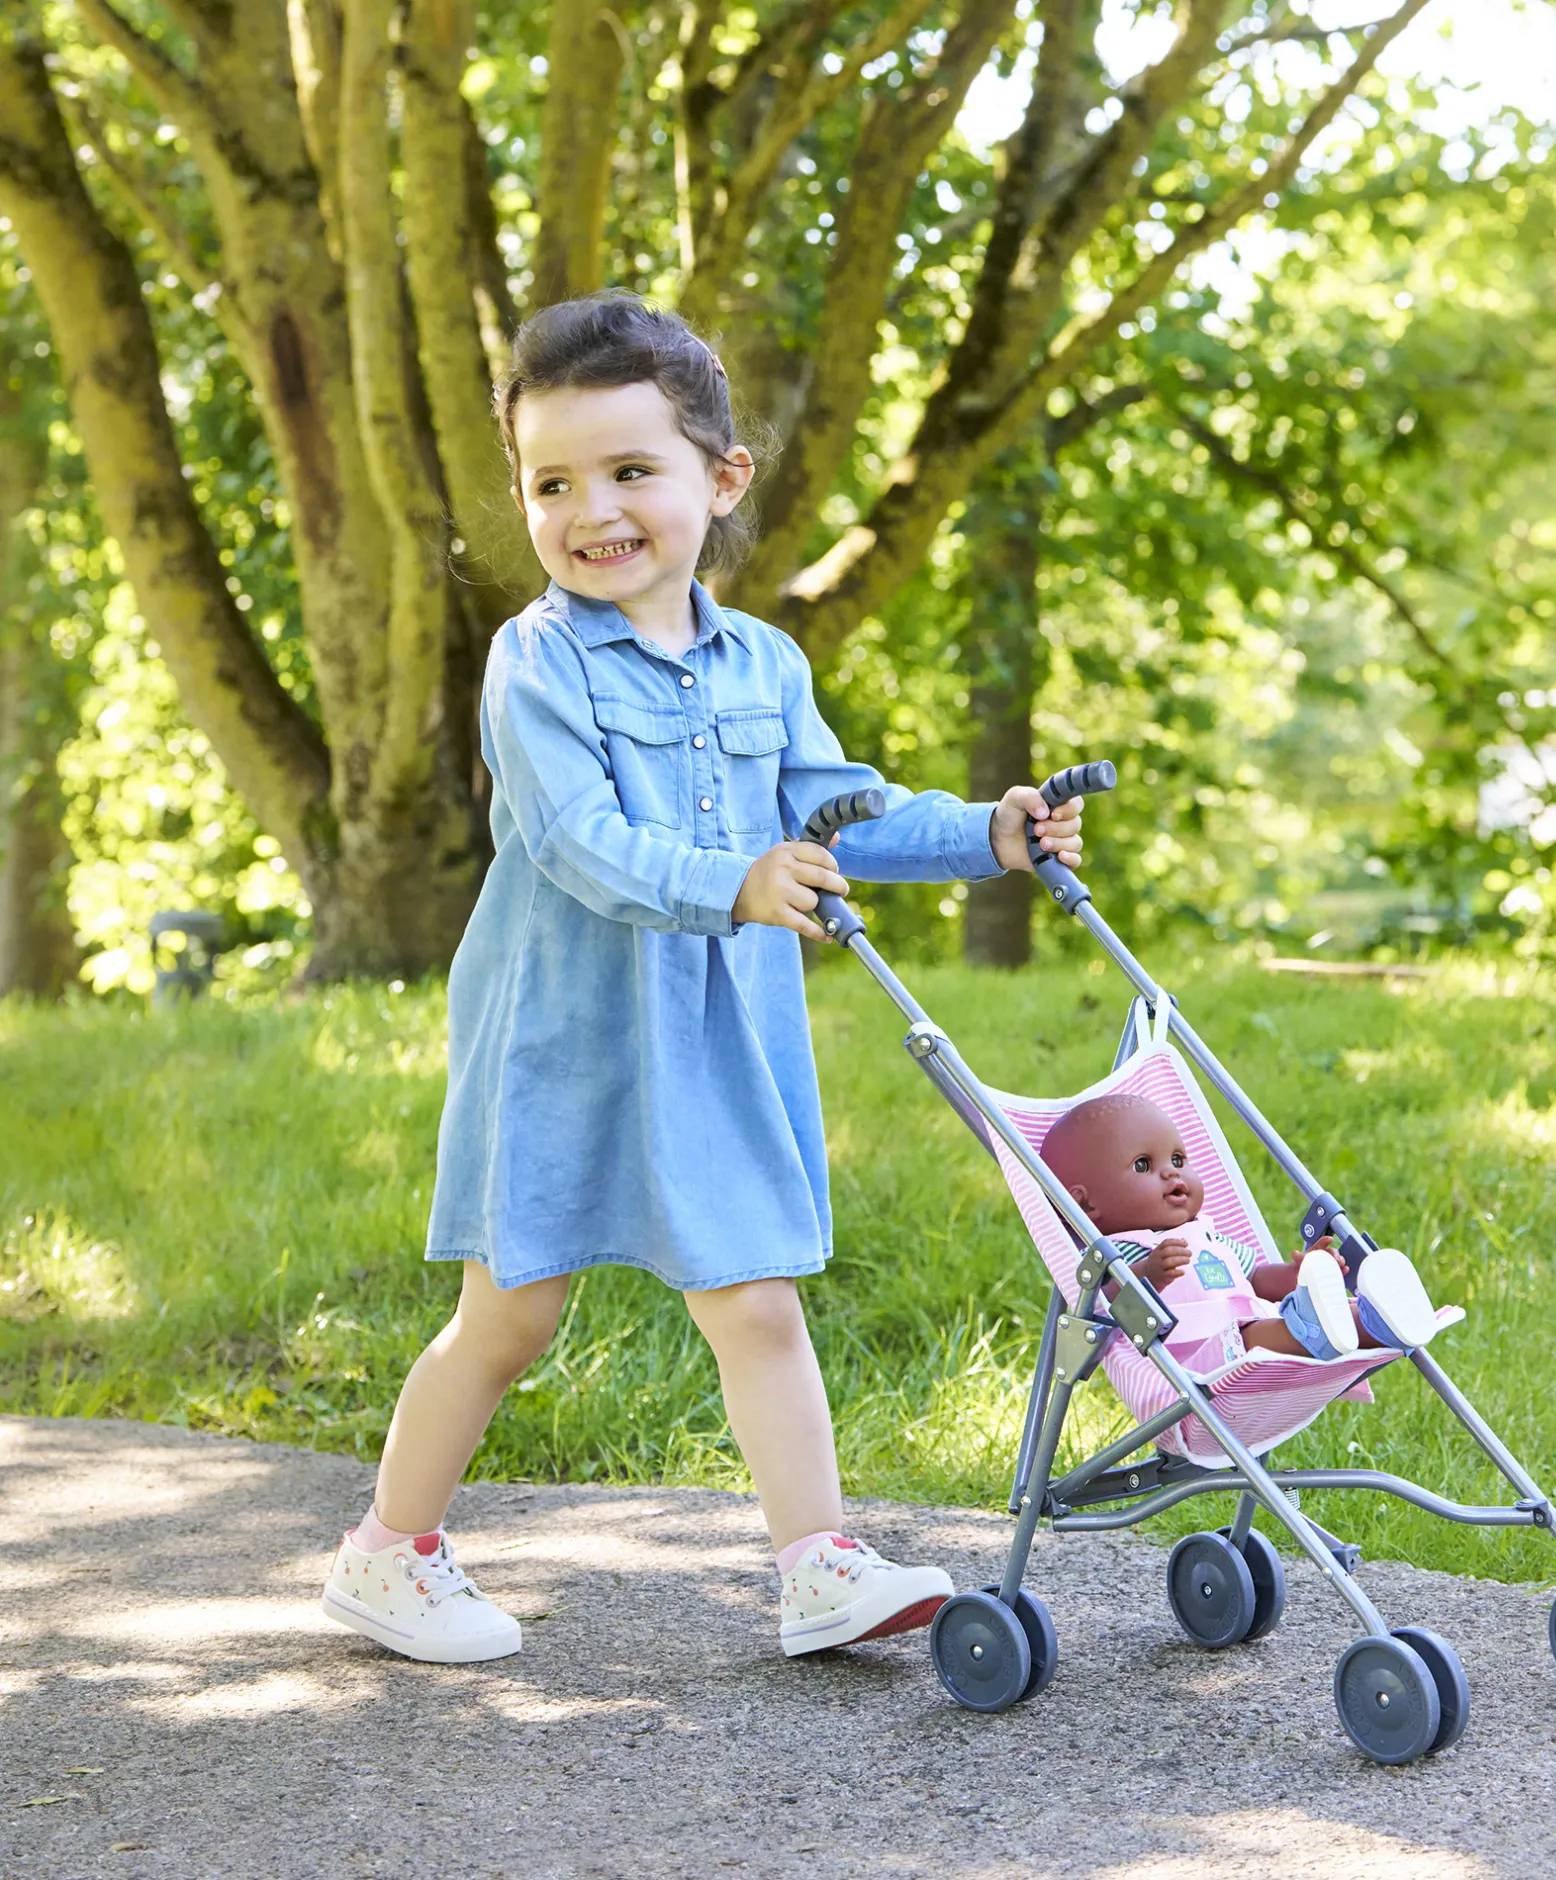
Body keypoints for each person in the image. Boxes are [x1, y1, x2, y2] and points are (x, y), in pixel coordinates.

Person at [319, 292, 1084, 1666]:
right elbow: (568, 838)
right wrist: (729, 882)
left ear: (720, 479)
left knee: (754, 1291)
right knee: (511, 1314)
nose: (591, 510)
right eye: (554, 482)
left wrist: (988, 834)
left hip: (715, 1031)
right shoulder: (534, 658)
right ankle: (387, 1554)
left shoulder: (764, 664)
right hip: (562, 1033)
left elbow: (838, 810)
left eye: (629, 472)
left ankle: (818, 1566)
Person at [1037, 1093, 1438, 1377]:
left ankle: (1379, 1321)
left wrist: (1302, 1272)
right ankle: (1318, 1325)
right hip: (1205, 1361)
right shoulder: (1118, 1255)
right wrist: (1149, 1275)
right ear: (1087, 1207)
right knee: (1260, 1337)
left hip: (1260, 1323)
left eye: (1178, 1159)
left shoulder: (1207, 1234)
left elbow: (1257, 1280)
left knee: (1282, 1323)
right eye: (1144, 1165)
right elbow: (1107, 1307)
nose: (1173, 1172)